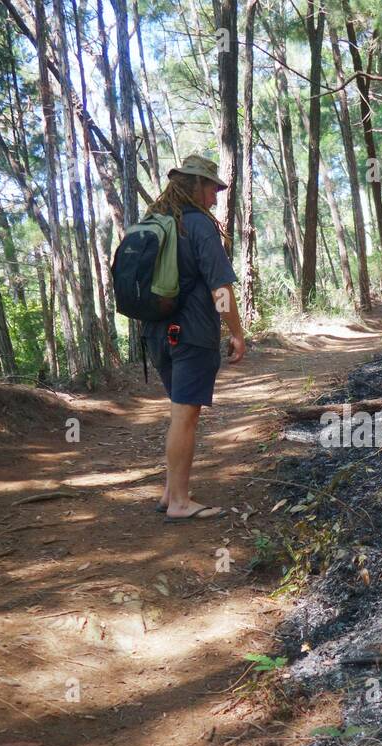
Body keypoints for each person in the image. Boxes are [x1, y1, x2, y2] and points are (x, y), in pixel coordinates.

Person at [143, 155, 247, 521]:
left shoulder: (156, 221)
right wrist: (236, 331)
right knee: (186, 416)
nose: (216, 198)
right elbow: (220, 286)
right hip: (192, 335)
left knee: (179, 413)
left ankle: (170, 493)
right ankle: (180, 503)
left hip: (156, 334)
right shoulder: (198, 226)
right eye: (212, 189)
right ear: (195, 185)